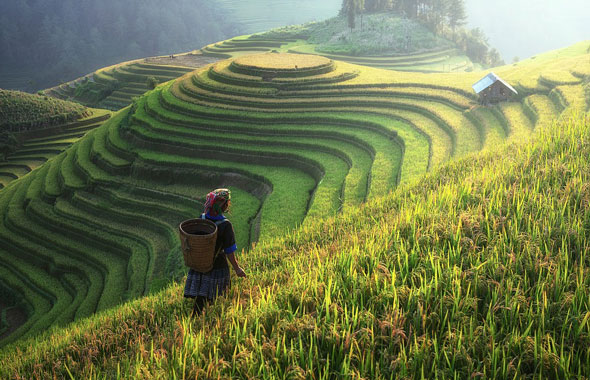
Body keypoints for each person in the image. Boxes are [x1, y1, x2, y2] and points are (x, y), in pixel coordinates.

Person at [184, 188, 247, 317]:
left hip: (200, 264)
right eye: (227, 203)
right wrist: (237, 269)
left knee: (201, 297)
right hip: (217, 266)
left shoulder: (201, 219)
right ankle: (210, 321)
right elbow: (229, 251)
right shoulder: (225, 225)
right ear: (223, 206)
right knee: (216, 296)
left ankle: (195, 320)